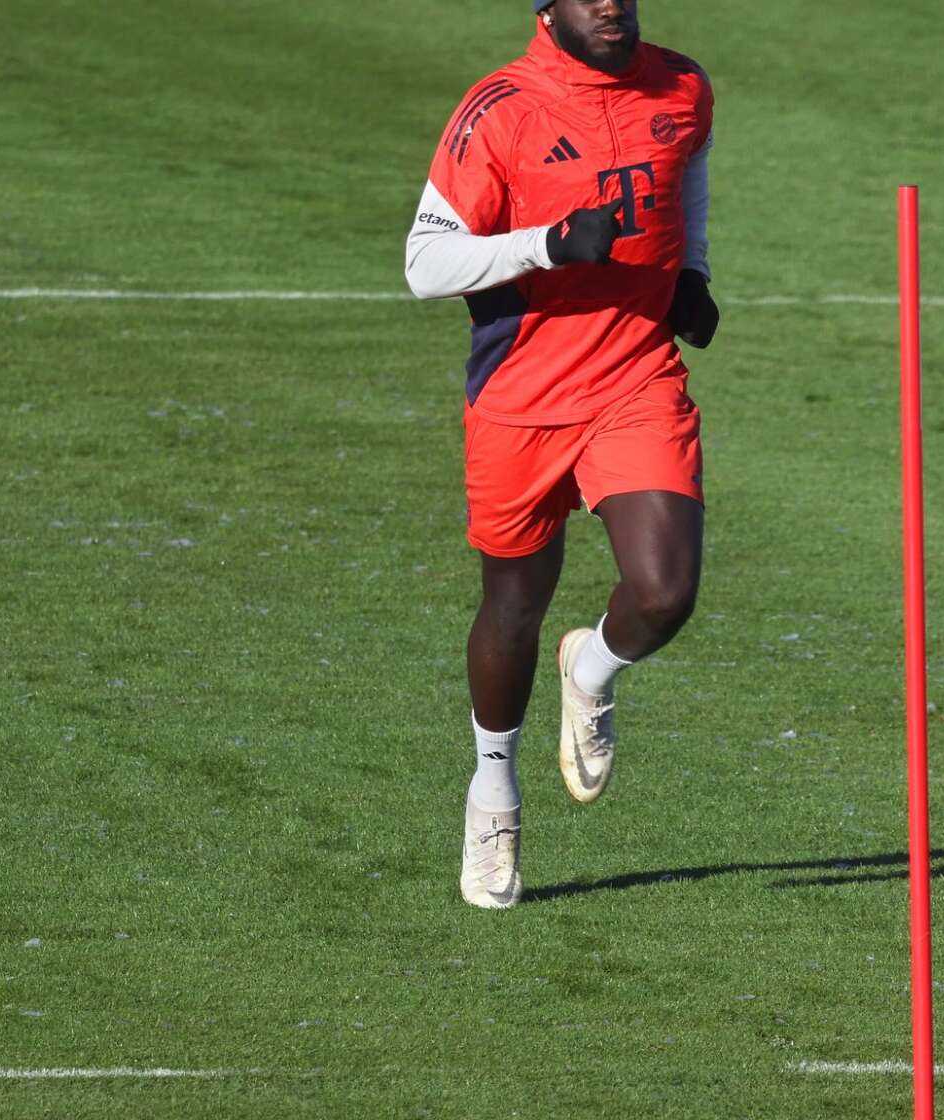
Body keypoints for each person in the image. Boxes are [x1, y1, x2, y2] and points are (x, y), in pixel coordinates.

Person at [403, 0, 719, 909]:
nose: (611, 4)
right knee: (513, 605)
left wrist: (693, 270)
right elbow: (424, 263)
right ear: (547, 7)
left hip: (634, 377)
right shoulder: (499, 110)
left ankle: (592, 670)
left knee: (665, 592)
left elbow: (685, 171)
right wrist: (544, 244)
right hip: (520, 399)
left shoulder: (684, 85)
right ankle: (493, 792)